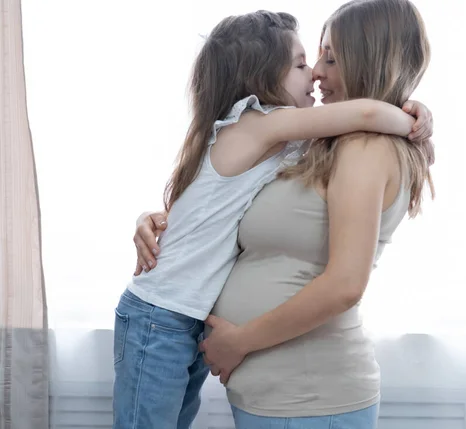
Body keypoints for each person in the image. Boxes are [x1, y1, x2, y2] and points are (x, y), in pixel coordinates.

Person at [114, 7, 432, 429]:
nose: (315, 73)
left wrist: (414, 120)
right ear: (263, 77)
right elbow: (212, 209)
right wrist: (152, 218)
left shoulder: (347, 147)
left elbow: (345, 284)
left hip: (303, 392)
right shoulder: (272, 133)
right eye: (304, 63)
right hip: (170, 321)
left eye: (327, 59)